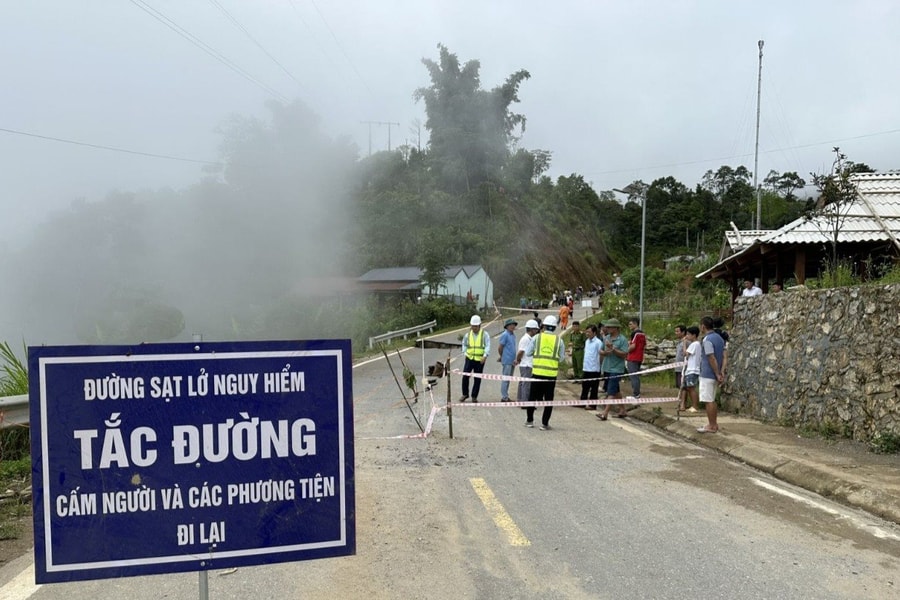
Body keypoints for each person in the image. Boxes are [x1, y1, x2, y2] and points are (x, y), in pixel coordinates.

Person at [524, 315, 565, 430]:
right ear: (554, 328)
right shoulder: (559, 340)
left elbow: (527, 353)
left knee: (532, 398)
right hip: (551, 375)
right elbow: (561, 358)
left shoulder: (537, 338)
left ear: (544, 326)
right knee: (548, 400)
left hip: (537, 373)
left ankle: (529, 421)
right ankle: (544, 424)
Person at [697, 316, 725, 433]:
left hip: (708, 373)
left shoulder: (707, 340)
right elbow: (724, 357)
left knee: (708, 400)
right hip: (716, 373)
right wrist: (721, 371)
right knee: (712, 399)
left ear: (703, 326)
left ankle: (712, 425)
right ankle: (713, 423)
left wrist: (716, 373)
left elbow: (711, 357)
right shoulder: (719, 338)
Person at [597, 318, 629, 420]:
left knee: (610, 391)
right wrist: (605, 353)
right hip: (607, 367)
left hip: (616, 369)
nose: (607, 328)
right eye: (607, 326)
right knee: (615, 390)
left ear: (616, 328)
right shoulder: (606, 338)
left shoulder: (622, 340)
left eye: (610, 327)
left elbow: (624, 354)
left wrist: (613, 349)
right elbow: (601, 350)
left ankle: (605, 413)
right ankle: (623, 410)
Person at [460, 315, 490, 403]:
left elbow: (487, 346)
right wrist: (465, 353)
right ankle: (465, 394)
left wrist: (485, 356)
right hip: (469, 358)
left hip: (480, 360)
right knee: (465, 376)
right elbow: (464, 344)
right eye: (472, 326)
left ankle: (474, 396)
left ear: (479, 325)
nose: (474, 328)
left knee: (477, 378)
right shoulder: (468, 335)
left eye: (476, 326)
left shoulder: (484, 334)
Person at [514, 319, 540, 403]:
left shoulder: (529, 338)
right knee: (526, 384)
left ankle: (520, 399)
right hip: (526, 365)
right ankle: (525, 401)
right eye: (535, 329)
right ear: (532, 329)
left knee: (523, 383)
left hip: (526, 364)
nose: (536, 331)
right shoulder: (526, 339)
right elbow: (520, 352)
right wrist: (518, 360)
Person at [678, 326, 701, 412]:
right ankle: (693, 405)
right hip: (691, 369)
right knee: (689, 388)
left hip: (693, 369)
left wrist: (684, 343)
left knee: (691, 388)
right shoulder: (697, 344)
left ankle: (695, 406)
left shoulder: (694, 344)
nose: (687, 336)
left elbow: (685, 353)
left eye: (688, 334)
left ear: (694, 335)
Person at [580, 325, 603, 410]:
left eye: (589, 332)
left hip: (594, 369)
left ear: (594, 332)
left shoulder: (598, 342)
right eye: (586, 332)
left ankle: (593, 405)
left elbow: (601, 355)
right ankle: (582, 402)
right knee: (585, 386)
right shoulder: (587, 341)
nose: (587, 334)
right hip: (586, 368)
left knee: (594, 388)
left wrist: (599, 366)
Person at [496, 318, 518, 402]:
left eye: (514, 325)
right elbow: (500, 347)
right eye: (511, 325)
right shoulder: (505, 335)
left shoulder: (512, 335)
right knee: (505, 379)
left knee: (509, 378)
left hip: (512, 360)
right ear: (507, 326)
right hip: (507, 360)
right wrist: (502, 356)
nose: (512, 326)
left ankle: (506, 395)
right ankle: (504, 396)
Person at [626, 317, 646, 398]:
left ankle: (636, 394)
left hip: (633, 357)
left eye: (630, 324)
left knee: (633, 376)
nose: (629, 326)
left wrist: (626, 351)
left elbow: (633, 346)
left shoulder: (635, 333)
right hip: (639, 357)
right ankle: (636, 393)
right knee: (636, 376)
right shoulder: (642, 334)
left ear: (635, 324)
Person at [673, 324, 687, 390]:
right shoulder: (679, 342)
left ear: (683, 332)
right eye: (675, 331)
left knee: (682, 386)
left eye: (677, 331)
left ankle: (684, 399)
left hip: (683, 368)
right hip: (678, 367)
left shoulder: (686, 342)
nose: (676, 333)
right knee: (679, 385)